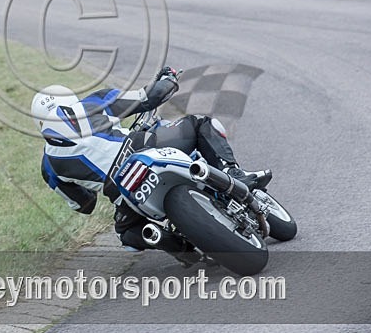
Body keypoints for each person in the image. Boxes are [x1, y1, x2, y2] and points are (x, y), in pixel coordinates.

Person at [31, 67, 272, 262]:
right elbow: (149, 97)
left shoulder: (48, 166)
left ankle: (174, 245)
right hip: (142, 148)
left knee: (127, 235)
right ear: (71, 100)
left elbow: (84, 205)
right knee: (201, 124)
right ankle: (231, 172)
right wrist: (169, 78)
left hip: (120, 191)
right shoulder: (92, 104)